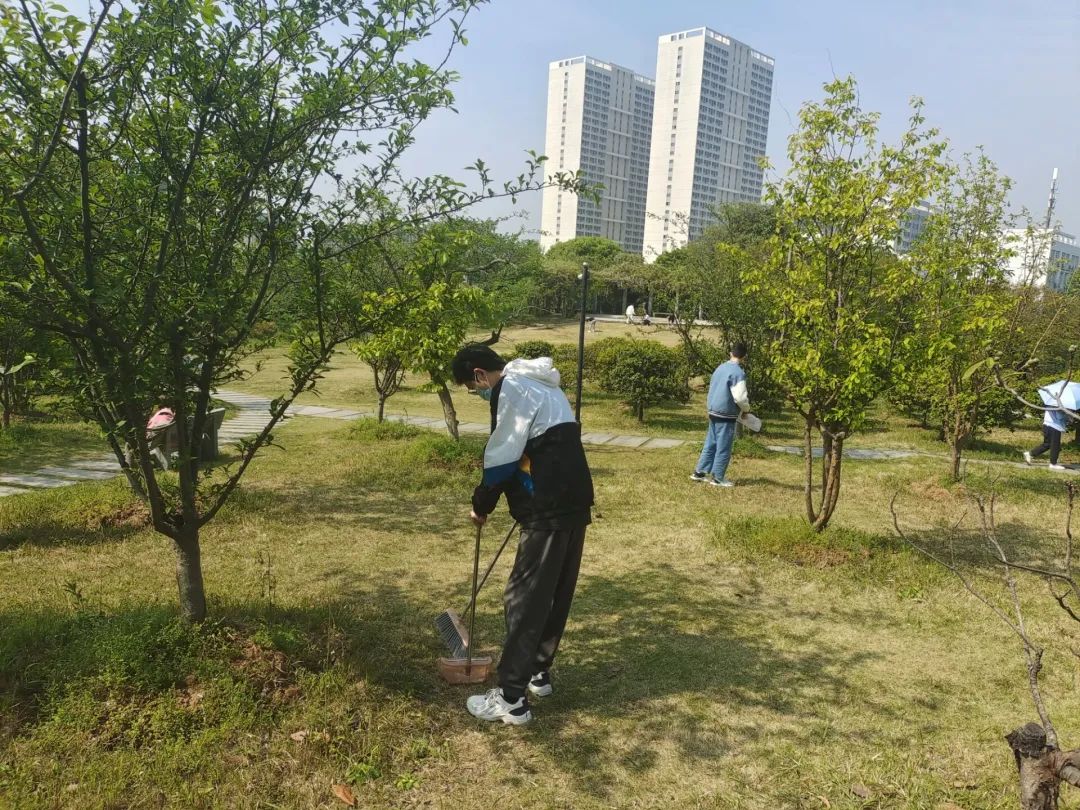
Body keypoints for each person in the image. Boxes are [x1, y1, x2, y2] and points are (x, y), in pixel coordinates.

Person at [451, 344, 594, 725]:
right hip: (573, 501)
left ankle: (511, 698)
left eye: (473, 389)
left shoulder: (511, 388)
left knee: (524, 598)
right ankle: (537, 672)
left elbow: (503, 454)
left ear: (480, 375)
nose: (478, 394)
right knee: (555, 592)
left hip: (548, 507)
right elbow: (539, 447)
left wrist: (482, 503)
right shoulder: (541, 383)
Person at [691, 343, 751, 487]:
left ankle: (699, 472)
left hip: (713, 410)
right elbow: (740, 397)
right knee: (724, 446)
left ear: (731, 353)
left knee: (710, 443)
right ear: (744, 357)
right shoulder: (738, 373)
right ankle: (718, 478)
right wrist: (746, 409)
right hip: (726, 413)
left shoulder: (720, 368)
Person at [1025, 405, 1069, 471]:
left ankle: (1030, 454)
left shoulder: (1051, 402)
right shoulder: (1057, 404)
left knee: (1047, 444)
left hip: (1047, 425)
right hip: (1054, 426)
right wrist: (1067, 415)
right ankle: (1053, 464)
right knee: (1055, 445)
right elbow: (1059, 416)